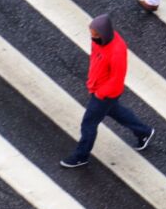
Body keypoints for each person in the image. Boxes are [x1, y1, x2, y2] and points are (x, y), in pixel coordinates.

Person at [60, 14, 155, 168]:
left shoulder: (117, 50)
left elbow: (117, 78)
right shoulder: (100, 40)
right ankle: (143, 132)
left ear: (103, 33)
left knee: (89, 124)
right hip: (97, 88)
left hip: (105, 93)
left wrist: (100, 93)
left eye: (95, 35)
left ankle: (81, 156)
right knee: (116, 112)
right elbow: (95, 59)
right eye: (92, 34)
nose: (92, 37)